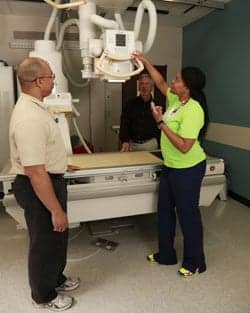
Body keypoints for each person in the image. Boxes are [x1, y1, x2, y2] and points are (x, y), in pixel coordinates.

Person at [10, 57, 80, 310]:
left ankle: (56, 279)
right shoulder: (29, 117)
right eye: (52, 76)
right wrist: (55, 210)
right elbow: (35, 171)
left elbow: (43, 155)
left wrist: (60, 163)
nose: (54, 80)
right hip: (38, 185)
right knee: (44, 244)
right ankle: (43, 296)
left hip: (48, 177)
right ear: (39, 81)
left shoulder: (37, 107)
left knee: (57, 239)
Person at [133, 53, 209, 277]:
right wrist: (145, 61)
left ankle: (196, 262)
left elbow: (185, 146)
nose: (172, 82)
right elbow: (160, 82)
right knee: (164, 212)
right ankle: (166, 254)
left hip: (188, 169)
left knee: (188, 215)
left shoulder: (194, 110)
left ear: (187, 87)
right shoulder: (177, 101)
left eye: (177, 80)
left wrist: (160, 123)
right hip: (170, 167)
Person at [119, 73, 162, 152]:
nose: (144, 87)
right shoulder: (130, 104)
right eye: (142, 83)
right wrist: (125, 140)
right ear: (139, 86)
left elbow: (161, 125)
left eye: (147, 84)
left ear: (151, 87)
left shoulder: (158, 105)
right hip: (133, 144)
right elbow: (124, 123)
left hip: (150, 144)